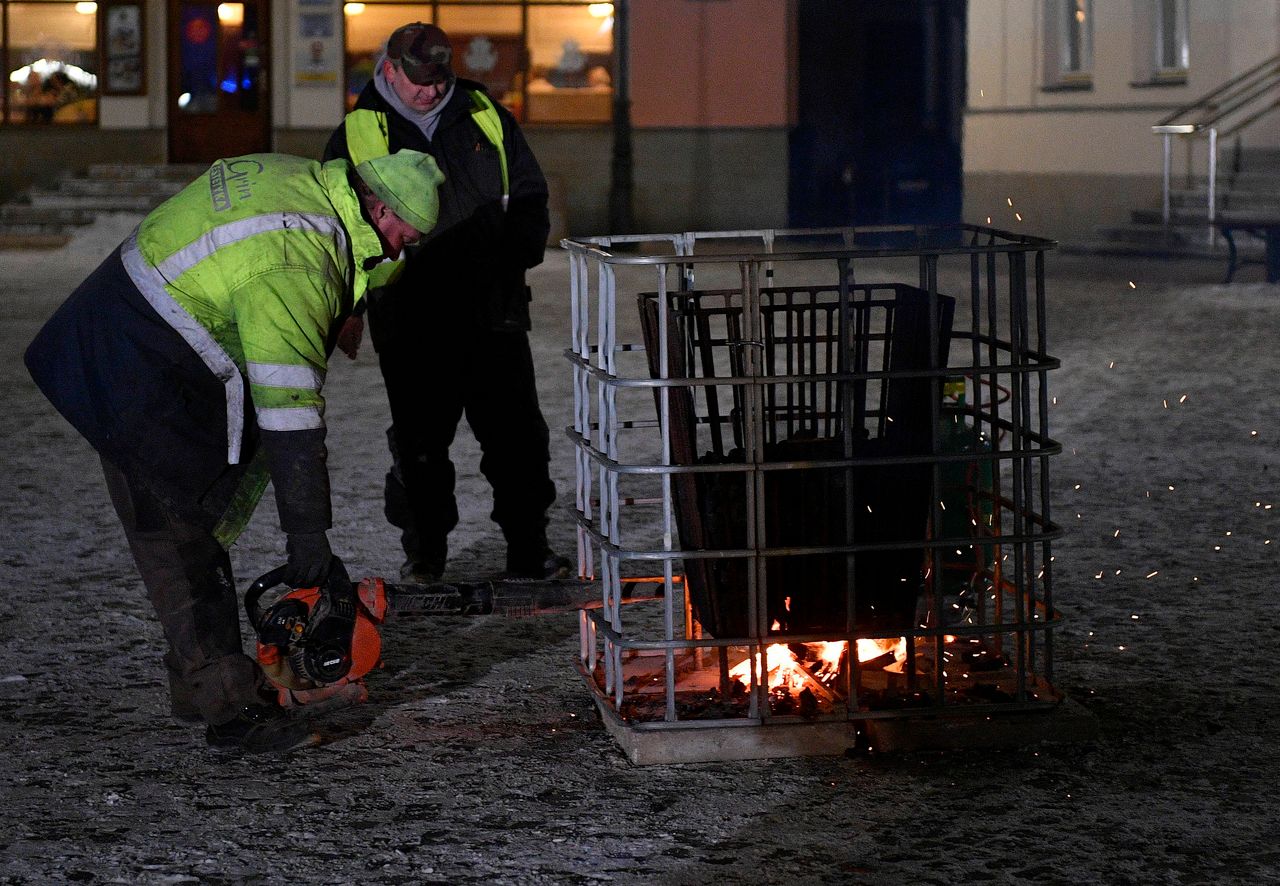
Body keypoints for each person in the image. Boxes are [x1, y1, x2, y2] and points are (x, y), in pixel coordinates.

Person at [24, 150, 445, 754]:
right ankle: (230, 712)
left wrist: (349, 302)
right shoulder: (291, 262)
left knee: (184, 529)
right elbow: (291, 416)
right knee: (178, 538)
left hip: (130, 333)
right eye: (407, 234)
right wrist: (308, 538)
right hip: (133, 370)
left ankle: (200, 690)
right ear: (378, 208)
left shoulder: (306, 183)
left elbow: (350, 257)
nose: (405, 250)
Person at [323, 22, 569, 585]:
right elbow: (340, 226)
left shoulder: (484, 112)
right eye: (420, 82)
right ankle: (426, 555)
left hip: (494, 311)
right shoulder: (356, 133)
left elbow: (528, 194)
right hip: (410, 318)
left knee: (516, 438)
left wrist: (513, 255)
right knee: (420, 447)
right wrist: (355, 305)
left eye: (440, 80)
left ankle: (528, 548)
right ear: (388, 70)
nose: (432, 92)